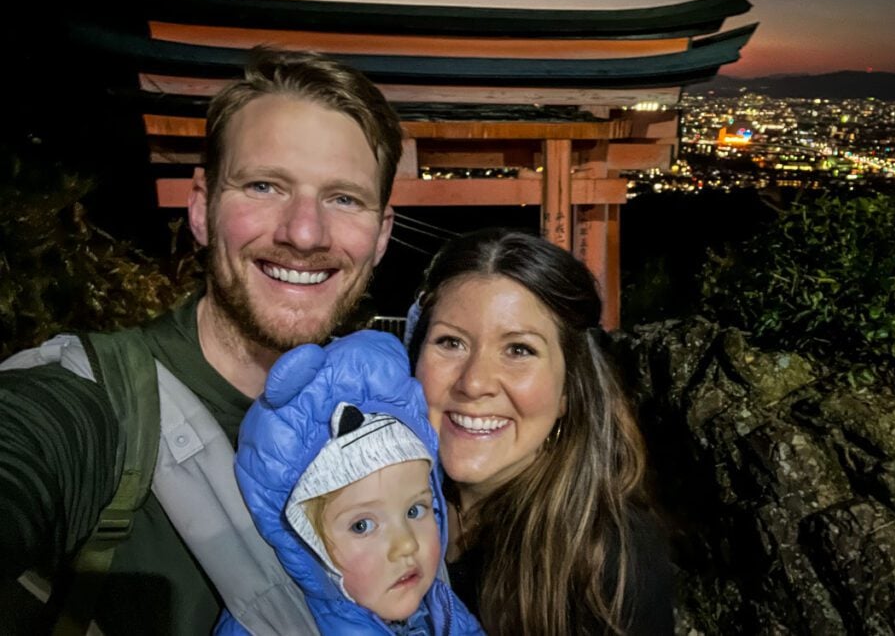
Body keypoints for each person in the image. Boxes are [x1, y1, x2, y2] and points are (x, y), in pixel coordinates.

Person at [0, 48, 403, 634]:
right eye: (264, 186)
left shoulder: (384, 421)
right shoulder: (93, 406)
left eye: (344, 199)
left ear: (382, 234)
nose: (305, 233)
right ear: (201, 208)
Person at [406, 228, 676, 635]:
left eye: (519, 350)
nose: (475, 382)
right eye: (451, 342)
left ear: (569, 388)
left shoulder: (607, 560)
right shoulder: (378, 496)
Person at [227, 330, 483, 635]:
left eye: (415, 510)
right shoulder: (269, 627)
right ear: (304, 544)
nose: (406, 544)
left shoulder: (447, 613)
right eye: (361, 525)